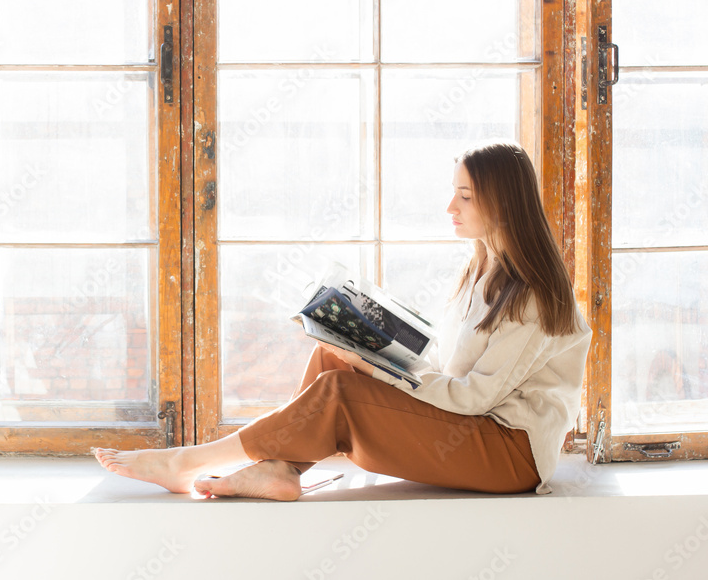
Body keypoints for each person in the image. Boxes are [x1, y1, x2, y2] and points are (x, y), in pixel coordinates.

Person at [95, 142, 593, 499]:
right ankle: (282, 470)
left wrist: (380, 372)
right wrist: (377, 347)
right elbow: (448, 362)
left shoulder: (533, 296)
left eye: (464, 196)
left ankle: (188, 461)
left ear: (501, 202)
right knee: (332, 357)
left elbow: (477, 396)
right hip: (475, 428)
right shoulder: (480, 270)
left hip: (510, 454)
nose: (450, 207)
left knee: (340, 391)